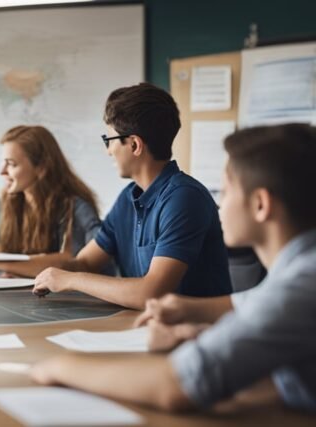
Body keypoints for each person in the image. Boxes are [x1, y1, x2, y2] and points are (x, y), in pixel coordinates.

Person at [31, 123, 316, 413]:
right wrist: (190, 315)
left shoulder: (302, 285)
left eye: (226, 190)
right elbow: (252, 302)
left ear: (260, 205)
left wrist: (59, 366)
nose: (219, 203)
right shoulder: (299, 273)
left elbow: (174, 386)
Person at [31, 83, 232, 309]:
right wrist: (43, 273)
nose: (108, 150)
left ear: (135, 145)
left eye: (110, 140)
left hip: (195, 334)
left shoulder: (184, 198)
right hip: (144, 327)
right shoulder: (129, 198)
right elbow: (86, 262)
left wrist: (71, 279)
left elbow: (151, 293)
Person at [0, 125, 109, 278]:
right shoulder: (15, 201)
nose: (2, 171)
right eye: (3, 162)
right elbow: (20, 253)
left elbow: (70, 262)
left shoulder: (75, 207)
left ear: (41, 167)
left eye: (11, 164)